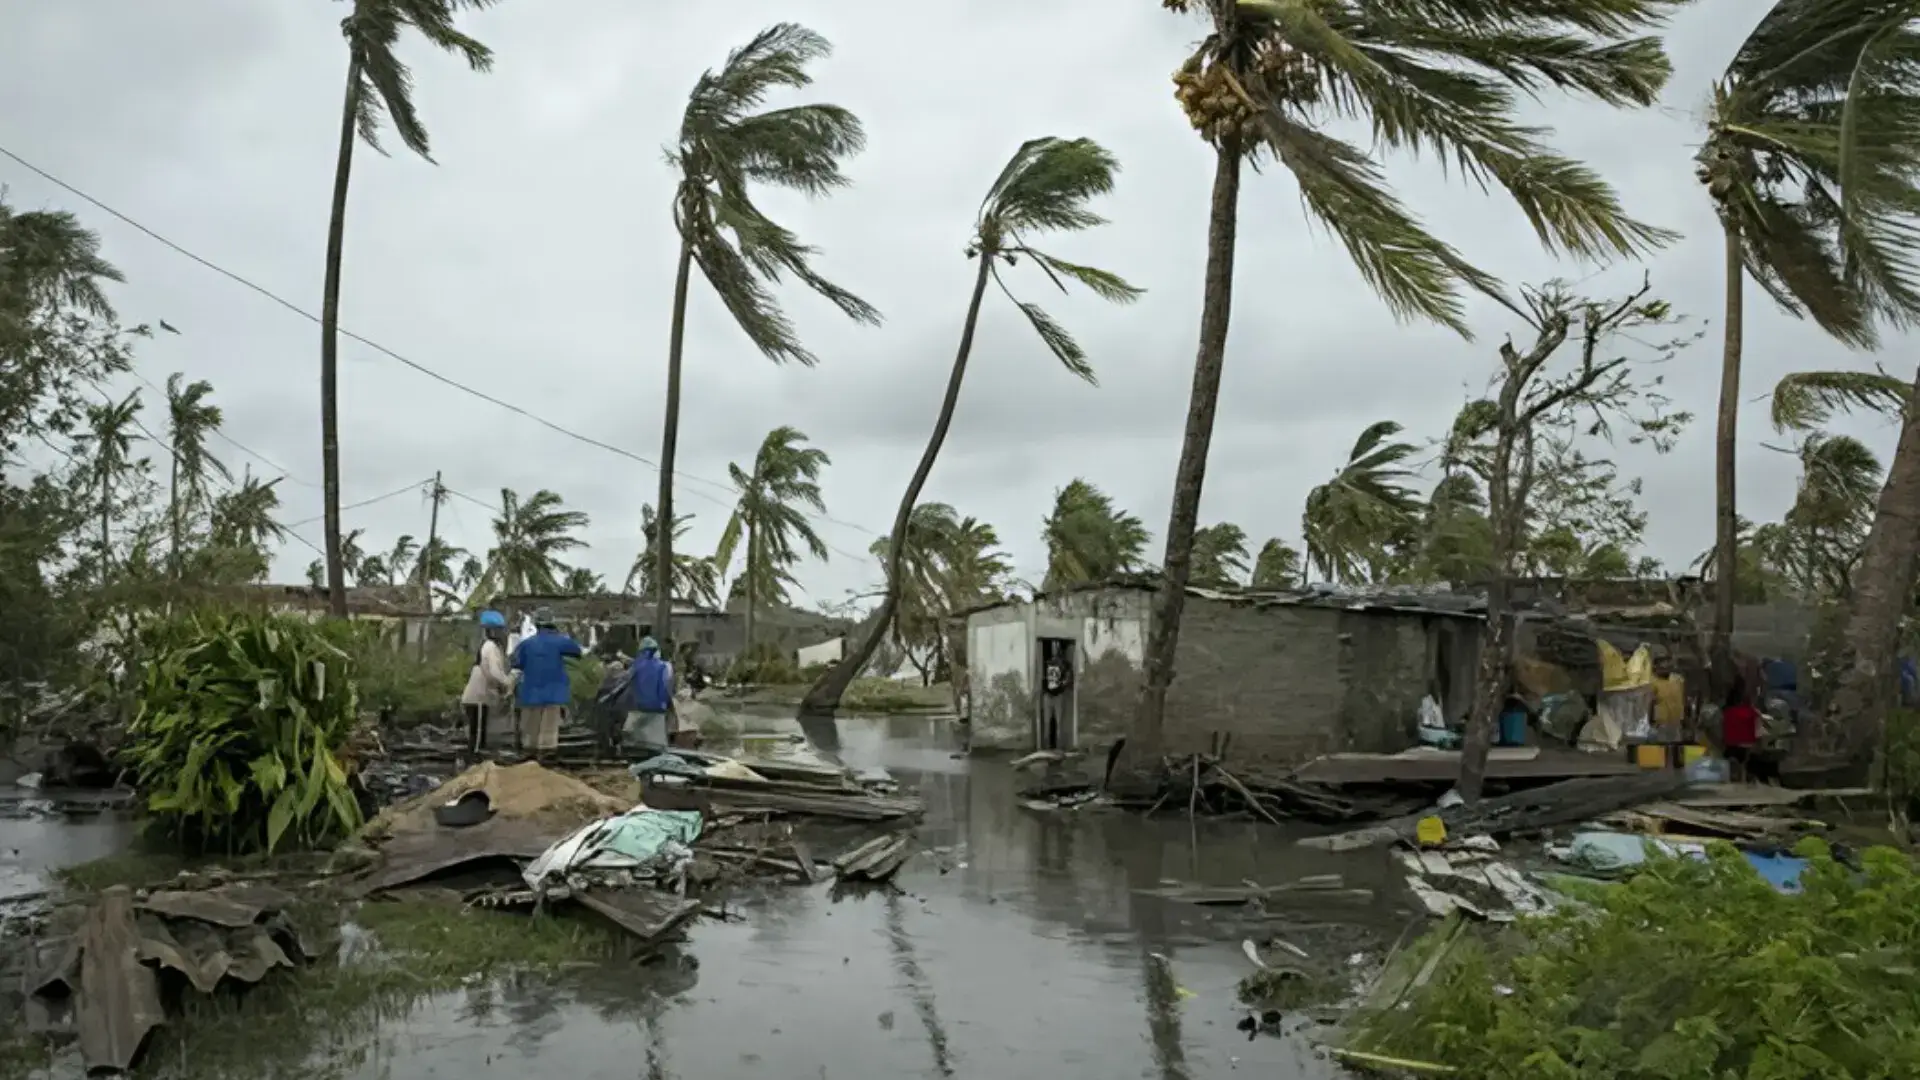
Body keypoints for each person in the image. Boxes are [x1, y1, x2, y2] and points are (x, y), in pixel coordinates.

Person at [509, 608, 582, 760]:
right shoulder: (560, 641)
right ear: (552, 624)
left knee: (531, 727)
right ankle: (546, 756)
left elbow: (515, 663)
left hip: (531, 692)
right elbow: (577, 651)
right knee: (549, 728)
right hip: (553, 692)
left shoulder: (526, 644)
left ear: (536, 624)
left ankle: (530, 753)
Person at [460, 611, 514, 754]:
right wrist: (508, 682)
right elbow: (495, 672)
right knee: (477, 738)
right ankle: (474, 760)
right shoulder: (490, 647)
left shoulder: (488, 646)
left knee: (478, 734)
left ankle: (477, 759)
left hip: (480, 698)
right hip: (478, 698)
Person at [622, 636, 675, 751]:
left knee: (636, 742)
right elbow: (666, 687)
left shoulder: (635, 666)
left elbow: (626, 683)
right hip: (657, 710)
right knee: (657, 744)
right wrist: (666, 705)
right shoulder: (663, 666)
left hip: (637, 708)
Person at [1721, 677, 1760, 781]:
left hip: (1731, 744)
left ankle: (1734, 770)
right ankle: (1744, 773)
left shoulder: (1727, 710)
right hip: (1745, 744)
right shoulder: (1750, 710)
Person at [1040, 641, 1071, 749]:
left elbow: (1068, 678)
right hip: (1048, 695)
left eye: (1057, 647)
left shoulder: (1064, 664)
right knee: (1047, 722)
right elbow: (1042, 677)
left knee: (1059, 723)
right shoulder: (1047, 663)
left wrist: (1062, 685)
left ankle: (1059, 748)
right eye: (1053, 647)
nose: (1055, 650)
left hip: (1058, 696)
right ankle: (1046, 747)